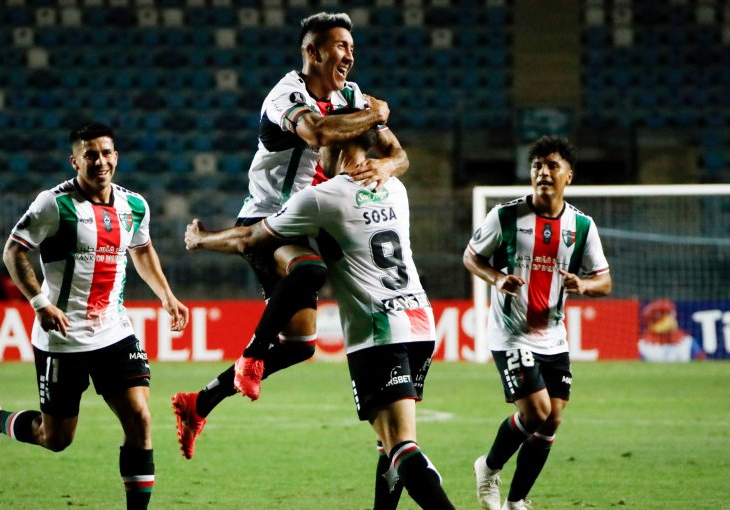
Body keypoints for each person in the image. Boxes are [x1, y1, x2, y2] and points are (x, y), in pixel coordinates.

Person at [172, 11, 408, 460]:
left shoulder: (353, 95)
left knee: (301, 345)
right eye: (340, 46)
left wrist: (386, 164)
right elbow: (318, 134)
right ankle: (251, 356)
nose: (349, 55)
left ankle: (197, 403)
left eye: (351, 48)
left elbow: (398, 154)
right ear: (313, 52)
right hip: (264, 220)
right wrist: (372, 115)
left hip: (307, 221)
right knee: (309, 269)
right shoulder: (285, 96)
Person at [184, 119, 454, 510]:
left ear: (335, 146)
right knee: (390, 441)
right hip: (420, 322)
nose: (315, 153)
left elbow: (249, 238)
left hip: (377, 329)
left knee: (402, 447)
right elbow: (394, 153)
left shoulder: (323, 197)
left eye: (321, 144)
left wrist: (202, 238)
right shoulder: (394, 186)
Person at [0, 122, 189, 510]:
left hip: (114, 331)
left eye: (106, 153)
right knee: (56, 438)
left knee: (139, 418)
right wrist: (41, 304)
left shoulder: (134, 205)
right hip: (62, 335)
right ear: (75, 161)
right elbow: (13, 251)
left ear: (116, 157)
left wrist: (167, 296)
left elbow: (142, 250)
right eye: (90, 155)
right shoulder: (53, 204)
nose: (100, 161)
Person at [463, 136, 612, 510]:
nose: (543, 172)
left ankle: (516, 501)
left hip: (553, 336)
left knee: (552, 421)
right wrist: (497, 279)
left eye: (552, 166)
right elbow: (471, 257)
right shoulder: (505, 216)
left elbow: (605, 281)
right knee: (535, 413)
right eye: (537, 166)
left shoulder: (582, 226)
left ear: (569, 176)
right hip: (511, 333)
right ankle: (489, 467)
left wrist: (583, 284)